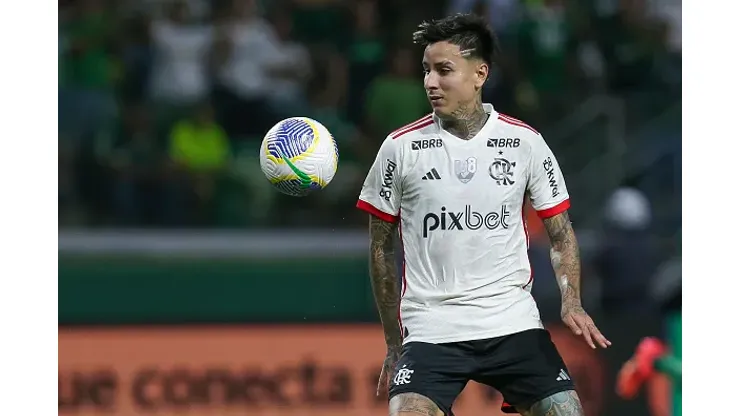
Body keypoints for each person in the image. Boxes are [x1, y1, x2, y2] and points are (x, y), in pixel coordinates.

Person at [355, 13, 610, 416]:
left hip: (512, 323)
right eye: (426, 71)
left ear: (480, 74)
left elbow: (560, 233)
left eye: (444, 70)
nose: (429, 82)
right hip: (431, 327)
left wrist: (572, 302)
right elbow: (380, 249)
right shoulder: (399, 149)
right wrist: (393, 341)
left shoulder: (525, 143)